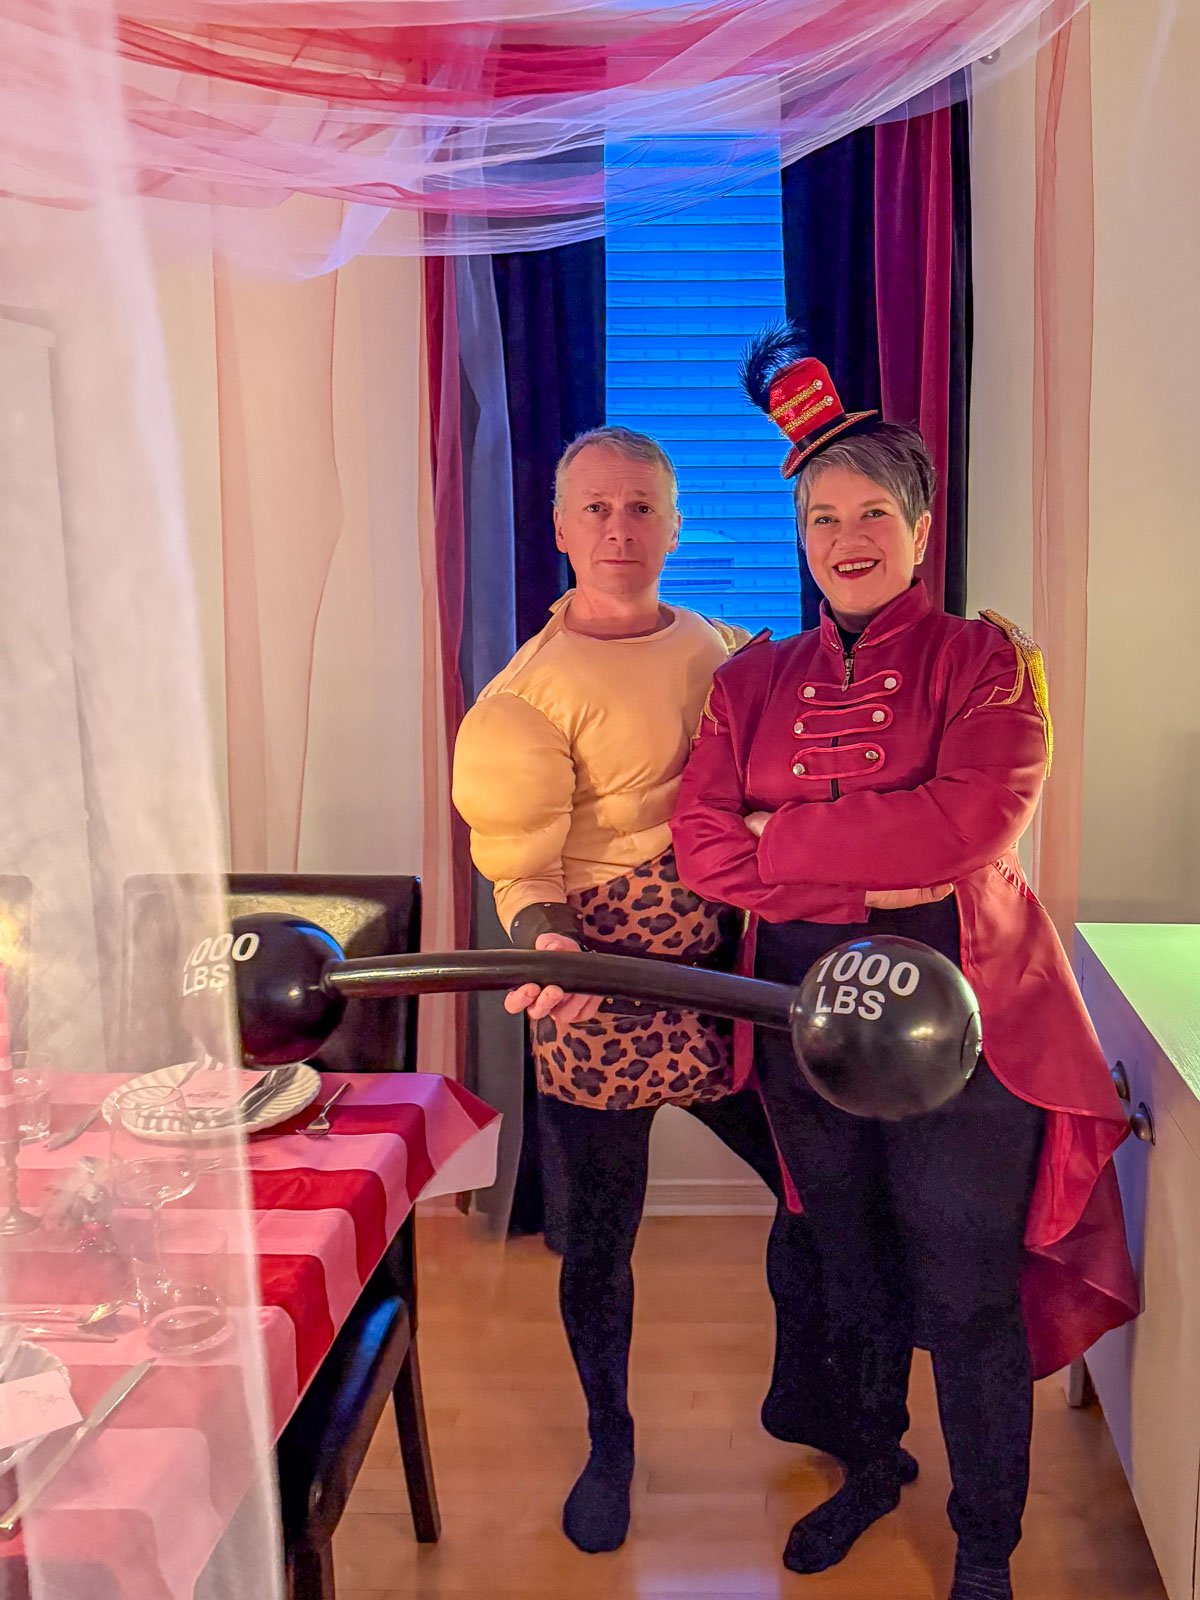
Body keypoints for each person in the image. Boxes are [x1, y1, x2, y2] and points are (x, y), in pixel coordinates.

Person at [671, 332, 1138, 1600]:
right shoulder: (750, 678)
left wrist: (781, 838)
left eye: (874, 512)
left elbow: (968, 830)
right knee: (852, 1263)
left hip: (966, 1018)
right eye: (823, 517)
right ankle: (872, 1468)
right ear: (801, 537)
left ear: (921, 531)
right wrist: (867, 868)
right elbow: (704, 848)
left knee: (967, 1279)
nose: (848, 537)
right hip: (802, 1015)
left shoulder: (989, 661)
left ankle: (986, 1538)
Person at [452, 425, 862, 1556]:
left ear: (677, 525)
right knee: (598, 1243)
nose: (619, 528)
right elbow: (520, 865)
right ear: (560, 528)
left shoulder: (723, 649)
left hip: (730, 978)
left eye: (642, 507)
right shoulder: (523, 696)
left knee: (812, 1186)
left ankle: (806, 1395)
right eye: (596, 507)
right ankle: (610, 1440)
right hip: (600, 991)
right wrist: (548, 943)